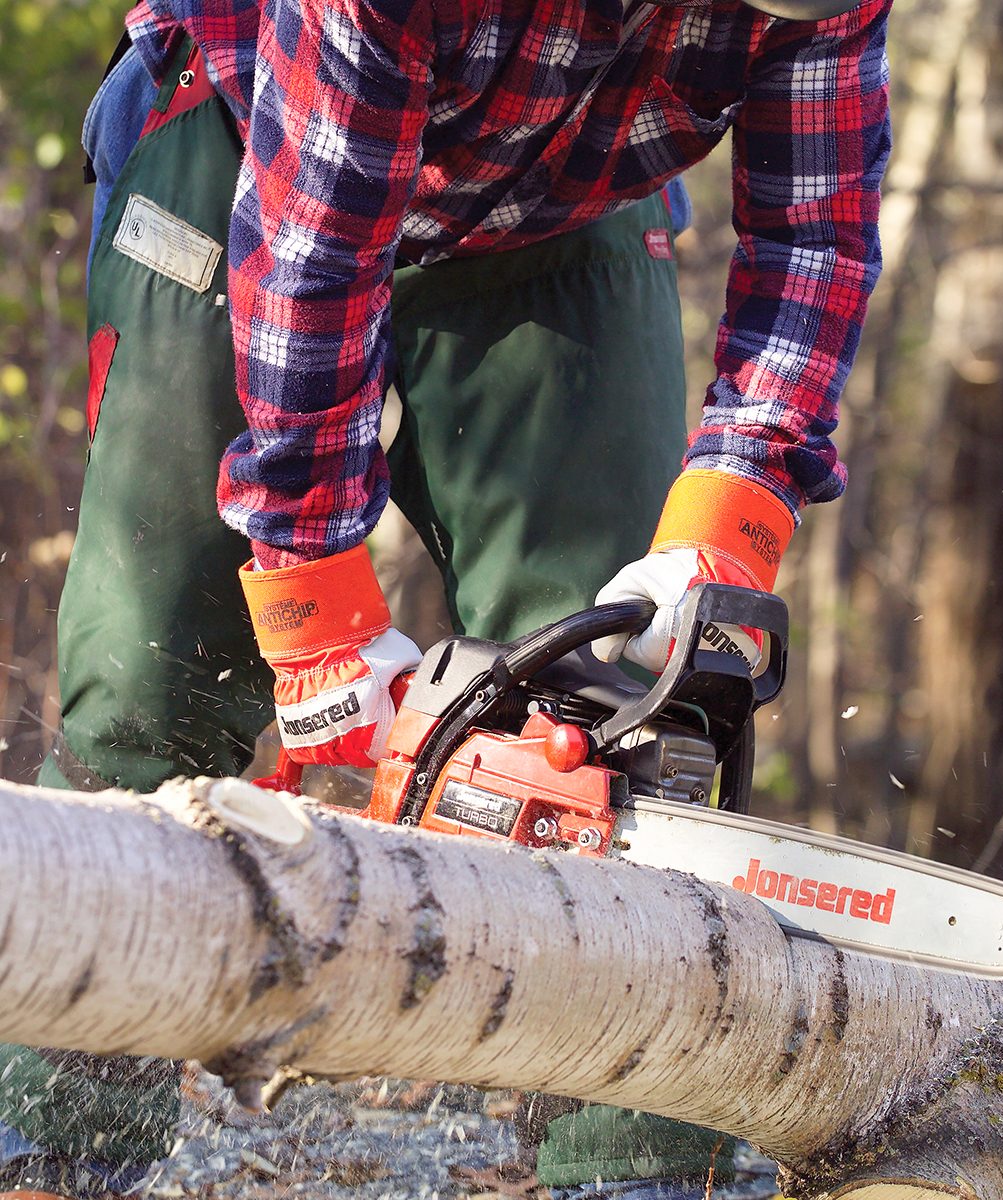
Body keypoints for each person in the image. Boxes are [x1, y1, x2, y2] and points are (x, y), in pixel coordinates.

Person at [0, 0, 891, 1194]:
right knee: (150, 690)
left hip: (562, 205)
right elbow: (313, 255)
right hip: (251, 138)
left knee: (623, 711)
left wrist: (725, 525)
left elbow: (818, 244)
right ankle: (52, 1149)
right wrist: (316, 612)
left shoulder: (830, 14)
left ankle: (629, 1166)